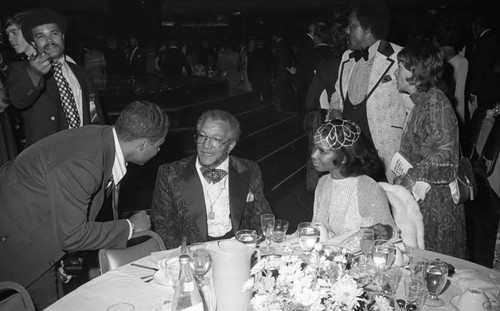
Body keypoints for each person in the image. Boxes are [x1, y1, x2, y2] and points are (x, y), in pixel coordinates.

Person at [0, 100, 168, 309]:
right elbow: (72, 235)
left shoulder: (104, 140)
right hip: (18, 246)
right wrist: (130, 226)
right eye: (158, 145)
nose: (158, 150)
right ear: (142, 144)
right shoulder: (85, 164)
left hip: (39, 230)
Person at [151, 109, 272, 249]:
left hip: (237, 250)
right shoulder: (170, 174)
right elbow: (163, 227)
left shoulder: (249, 169)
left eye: (216, 140)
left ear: (230, 145)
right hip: (192, 253)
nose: (206, 146)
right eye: (202, 136)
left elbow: (262, 217)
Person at [328, 0, 413, 182]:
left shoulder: (400, 57)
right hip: (351, 155)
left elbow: (414, 111)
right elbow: (337, 94)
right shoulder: (346, 57)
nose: (346, 30)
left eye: (352, 26)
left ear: (367, 29)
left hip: (383, 156)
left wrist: (407, 158)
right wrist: (334, 110)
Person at [394, 39, 465, 258]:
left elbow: (445, 162)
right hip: (421, 198)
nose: (396, 73)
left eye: (400, 67)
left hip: (435, 203)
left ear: (414, 72)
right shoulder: (423, 100)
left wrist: (409, 178)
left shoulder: (436, 103)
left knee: (432, 262)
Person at [6, 7, 105, 147]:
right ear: (33, 43)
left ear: (63, 37)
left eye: (54, 33)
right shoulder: (21, 70)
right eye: (41, 36)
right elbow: (19, 100)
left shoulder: (81, 73)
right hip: (48, 158)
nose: (49, 40)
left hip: (83, 151)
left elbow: (94, 114)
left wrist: (103, 147)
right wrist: (35, 74)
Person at [310, 119, 394, 237]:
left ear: (344, 158)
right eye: (315, 148)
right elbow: (315, 227)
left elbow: (391, 232)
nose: (313, 155)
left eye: (322, 152)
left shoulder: (369, 188)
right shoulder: (323, 182)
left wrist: (385, 231)